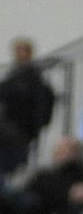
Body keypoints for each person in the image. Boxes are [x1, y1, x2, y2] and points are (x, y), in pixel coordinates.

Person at [0, 37, 55, 176]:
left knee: (15, 169)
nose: (20, 54)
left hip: (21, 133)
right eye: (18, 51)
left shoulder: (34, 78)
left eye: (23, 50)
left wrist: (37, 125)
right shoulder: (12, 77)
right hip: (8, 131)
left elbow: (44, 102)